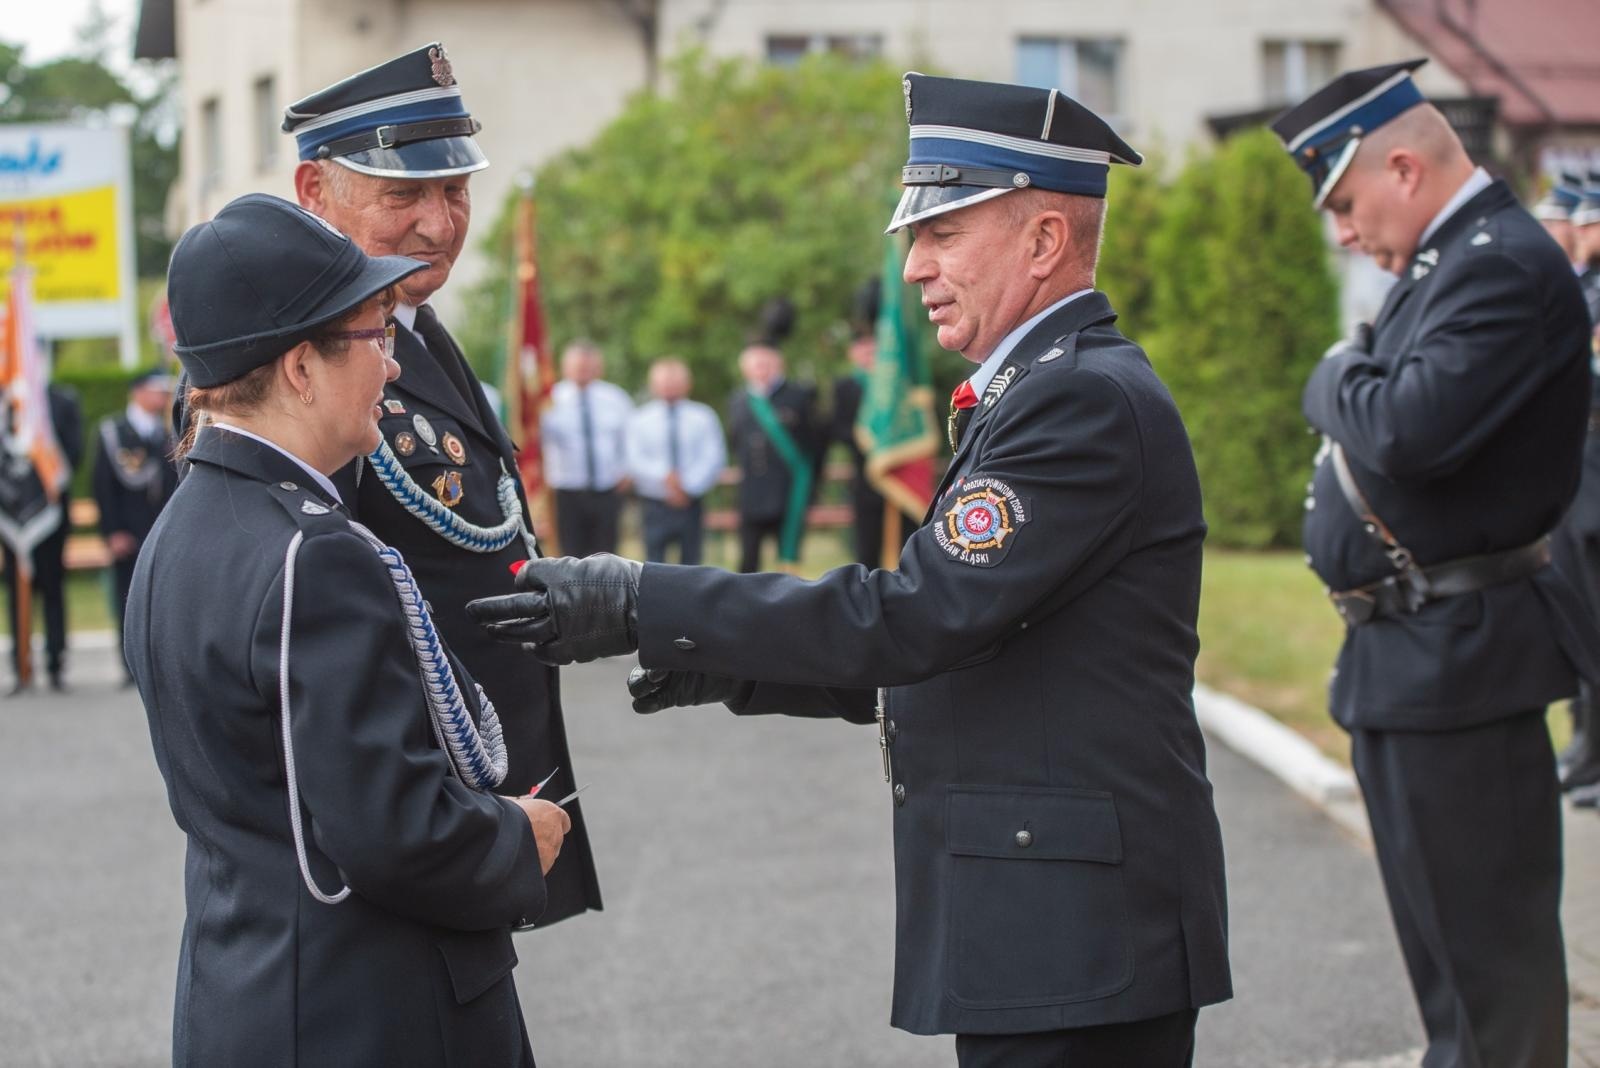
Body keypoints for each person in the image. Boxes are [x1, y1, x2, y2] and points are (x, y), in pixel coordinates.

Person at [469, 73, 1231, 1066]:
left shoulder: (1076, 400)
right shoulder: (1042, 391)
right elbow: (974, 643)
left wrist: (639, 598)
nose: (915, 267)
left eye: (943, 233)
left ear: (1044, 242)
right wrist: (741, 668)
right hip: (1047, 912)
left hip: (1072, 922)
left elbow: (916, 616)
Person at [128, 193, 570, 1066]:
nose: (395, 369)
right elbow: (393, 834)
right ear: (300, 367)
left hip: (246, 995)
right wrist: (520, 835)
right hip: (367, 1012)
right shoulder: (315, 553)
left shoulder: (183, 529)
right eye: (376, 337)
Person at [1271, 59, 1598, 1066]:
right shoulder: (1451, 262)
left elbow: (1404, 430)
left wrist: (1335, 371)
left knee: (1493, 992)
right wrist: (1356, 375)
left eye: (1345, 201)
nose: (1342, 233)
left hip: (1460, 657)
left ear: (1403, 168)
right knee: (1450, 984)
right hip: (1415, 658)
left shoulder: (1494, 263)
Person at [281, 43, 601, 922]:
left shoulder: (411, 325)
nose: (439, 221)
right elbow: (308, 610)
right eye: (403, 194)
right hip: (401, 819)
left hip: (470, 790)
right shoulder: (293, 355)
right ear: (315, 192)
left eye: (454, 191)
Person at [91, 370, 178, 682]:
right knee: (127, 600)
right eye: (156, 391)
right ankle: (129, 666)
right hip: (127, 532)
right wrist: (112, 531)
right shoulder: (114, 432)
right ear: (138, 392)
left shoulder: (168, 432)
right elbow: (102, 486)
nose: (162, 397)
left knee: (164, 600)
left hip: (162, 531)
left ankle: (161, 664)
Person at [830, 279, 917, 568]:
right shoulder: (845, 386)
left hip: (898, 469)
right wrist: (869, 436)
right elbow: (838, 428)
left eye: (873, 348)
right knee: (866, 549)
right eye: (862, 349)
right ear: (852, 353)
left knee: (904, 542)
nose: (869, 353)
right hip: (865, 474)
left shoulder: (896, 384)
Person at [2, 381, 81, 692]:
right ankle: (20, 666)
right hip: (11, 508)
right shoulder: (5, 402)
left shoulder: (59, 400)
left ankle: (55, 664)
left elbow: (73, 451)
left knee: (52, 588)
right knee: (16, 589)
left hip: (49, 507)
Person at [727, 307, 818, 573]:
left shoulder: (799, 396)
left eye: (766, 363)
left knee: (787, 569)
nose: (761, 369)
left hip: (788, 494)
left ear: (778, 363)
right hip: (751, 495)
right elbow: (735, 442)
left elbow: (812, 446)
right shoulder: (738, 401)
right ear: (745, 367)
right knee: (747, 565)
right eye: (755, 364)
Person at [624, 356, 725, 565]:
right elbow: (634, 459)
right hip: (655, 502)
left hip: (691, 501)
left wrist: (685, 486)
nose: (669, 386)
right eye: (663, 382)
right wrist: (666, 478)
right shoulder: (639, 419)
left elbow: (713, 457)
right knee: (654, 564)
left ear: (687, 384)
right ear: (653, 385)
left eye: (675, 381)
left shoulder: (703, 416)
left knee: (692, 563)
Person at [542, 339, 633, 557]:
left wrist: (628, 470)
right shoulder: (549, 399)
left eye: (588, 366)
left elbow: (630, 439)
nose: (583, 371)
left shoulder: (616, 398)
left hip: (607, 488)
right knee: (570, 554)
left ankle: (605, 592)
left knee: (606, 554)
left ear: (598, 367)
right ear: (565, 367)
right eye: (577, 366)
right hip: (566, 489)